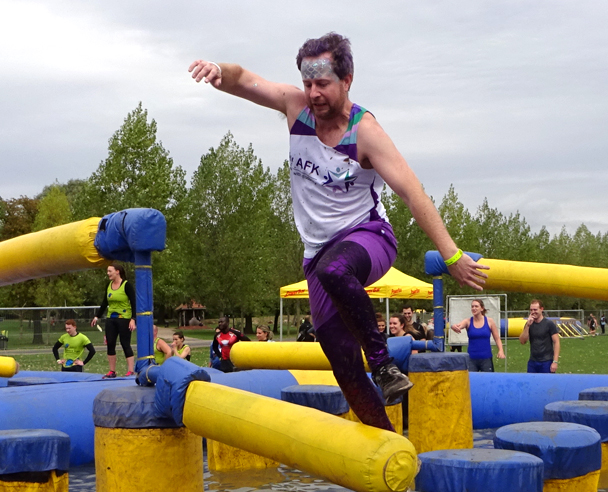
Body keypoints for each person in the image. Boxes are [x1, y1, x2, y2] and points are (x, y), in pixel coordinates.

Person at [189, 33, 487, 431]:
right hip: (317, 255)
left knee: (335, 269)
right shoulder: (296, 109)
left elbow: (412, 192)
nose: (314, 93)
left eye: (323, 84)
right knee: (341, 362)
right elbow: (242, 78)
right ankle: (389, 452)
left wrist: (450, 255)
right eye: (309, 83)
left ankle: (383, 367)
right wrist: (218, 70)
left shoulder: (366, 132)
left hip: (369, 237)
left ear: (347, 80)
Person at [91, 262, 136, 378]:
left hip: (124, 319)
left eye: (110, 271)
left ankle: (131, 370)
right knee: (110, 343)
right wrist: (97, 316)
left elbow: (134, 302)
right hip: (111, 319)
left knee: (125, 343)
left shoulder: (126, 285)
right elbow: (104, 302)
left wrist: (133, 319)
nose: (108, 273)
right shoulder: (109, 285)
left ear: (117, 272)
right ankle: (112, 371)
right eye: (107, 271)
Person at [450, 299, 505, 372]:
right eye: (472, 307)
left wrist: (501, 350)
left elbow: (497, 338)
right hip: (471, 359)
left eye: (476, 306)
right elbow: (458, 326)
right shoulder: (468, 321)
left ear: (482, 308)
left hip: (486, 358)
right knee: (471, 382)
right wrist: (453, 326)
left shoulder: (489, 321)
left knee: (488, 381)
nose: (474, 308)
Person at [519, 299, 560, 373]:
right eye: (531, 310)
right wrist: (528, 325)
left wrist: (555, 361)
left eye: (535, 310)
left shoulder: (549, 324)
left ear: (541, 309)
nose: (533, 312)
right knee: (531, 383)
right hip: (533, 361)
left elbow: (556, 342)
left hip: (546, 362)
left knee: (547, 383)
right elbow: (522, 341)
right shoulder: (529, 324)